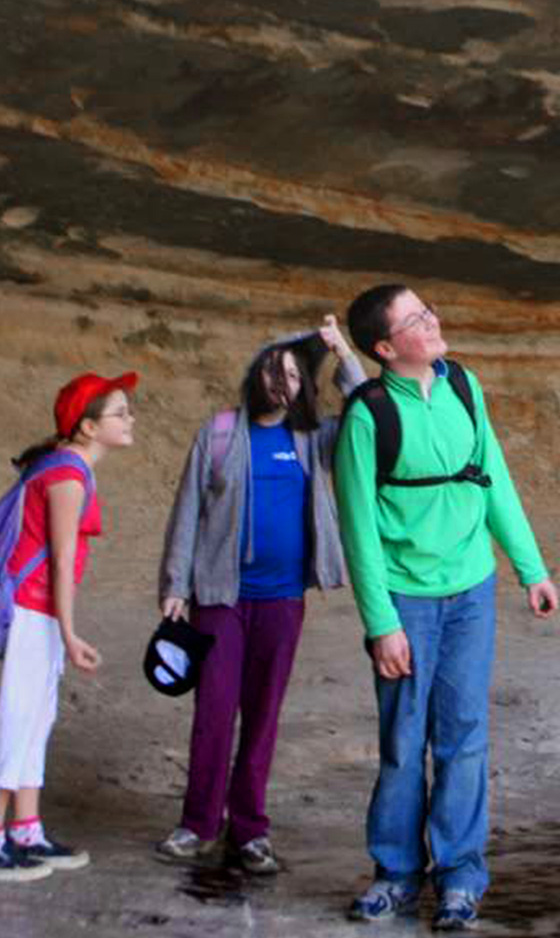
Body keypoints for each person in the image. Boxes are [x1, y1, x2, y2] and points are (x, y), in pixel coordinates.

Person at [335, 283, 557, 933]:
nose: (432, 324)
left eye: (428, 312)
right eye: (415, 320)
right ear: (384, 346)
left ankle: (460, 877)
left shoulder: (463, 384)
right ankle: (396, 876)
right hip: (407, 598)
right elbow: (358, 530)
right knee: (405, 743)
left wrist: (531, 568)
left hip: (471, 590)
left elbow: (494, 477)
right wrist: (383, 625)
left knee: (464, 738)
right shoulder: (368, 415)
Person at [151, 318, 369, 874]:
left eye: (295, 375)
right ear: (256, 374)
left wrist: (341, 349)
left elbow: (365, 406)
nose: (283, 382)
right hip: (219, 597)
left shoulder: (314, 440)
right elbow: (187, 513)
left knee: (263, 714)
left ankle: (249, 830)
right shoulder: (221, 433)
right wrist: (176, 585)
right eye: (275, 369)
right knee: (215, 712)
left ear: (303, 387)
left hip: (282, 599)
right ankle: (198, 823)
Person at [0, 369, 138, 882]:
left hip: (37, 609)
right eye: (120, 413)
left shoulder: (70, 467)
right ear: (87, 427)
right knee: (20, 714)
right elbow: (61, 559)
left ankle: (26, 827)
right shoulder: (66, 474)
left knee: (37, 714)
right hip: (31, 608)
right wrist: (69, 631)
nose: (131, 420)